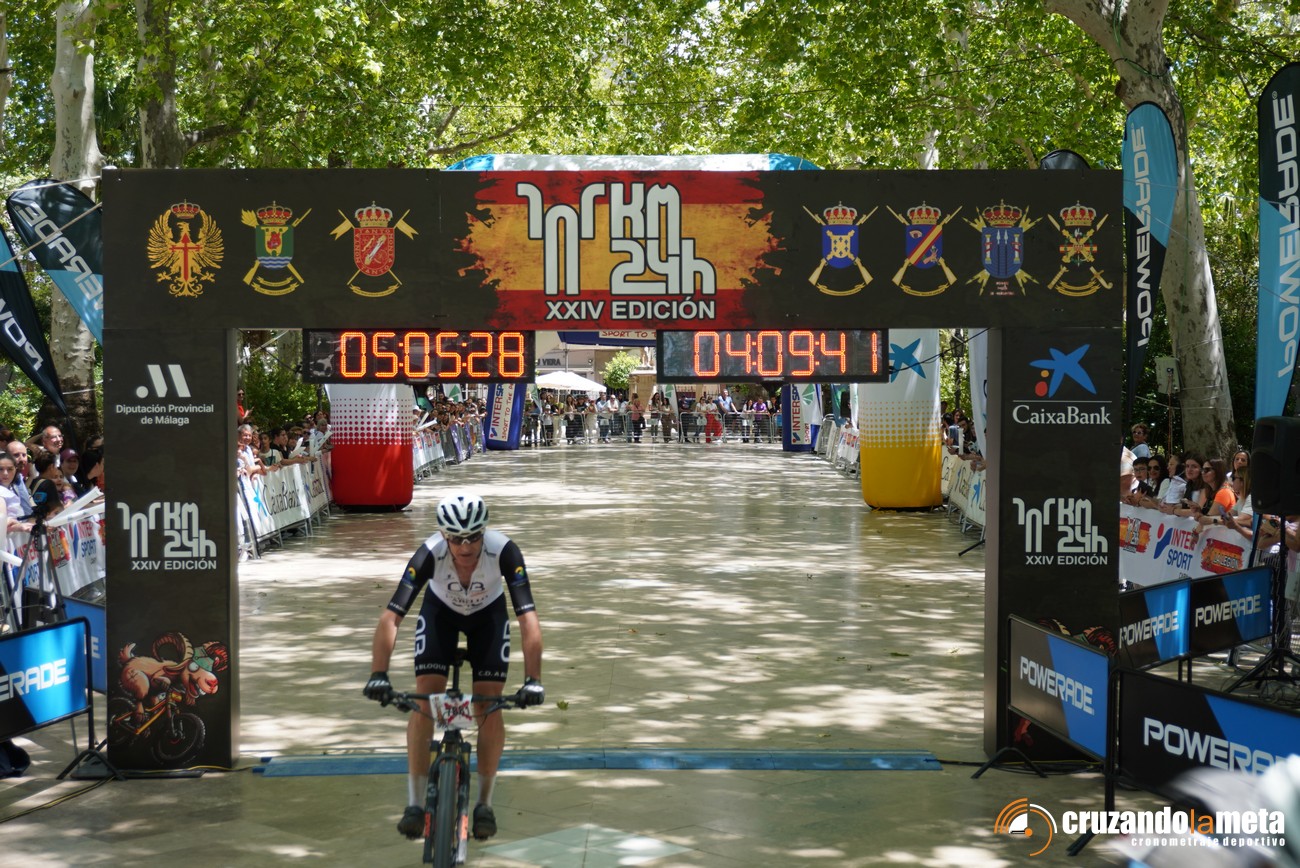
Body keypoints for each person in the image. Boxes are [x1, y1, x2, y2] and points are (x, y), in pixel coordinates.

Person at [364, 492, 545, 842]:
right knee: (425, 700)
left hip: (488, 619)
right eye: (456, 538)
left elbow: (528, 619)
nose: (465, 546)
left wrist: (533, 679)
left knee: (487, 704)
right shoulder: (428, 554)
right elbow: (391, 617)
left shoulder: (505, 552)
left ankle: (484, 804)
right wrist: (378, 674)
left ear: (484, 533)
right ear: (444, 535)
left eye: (474, 537)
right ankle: (415, 803)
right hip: (441, 615)